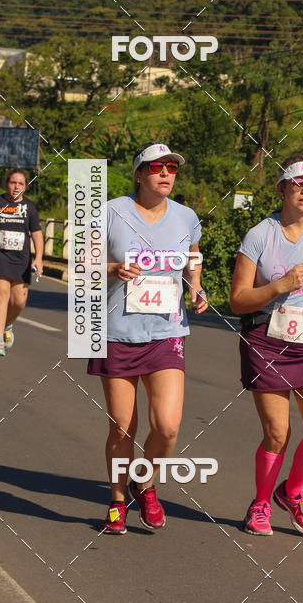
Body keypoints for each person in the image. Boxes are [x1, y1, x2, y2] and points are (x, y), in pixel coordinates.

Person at [88, 142, 208, 535]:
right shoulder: (110, 211)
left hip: (166, 332)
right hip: (118, 332)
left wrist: (196, 287)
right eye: (156, 167)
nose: (166, 173)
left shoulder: (187, 217)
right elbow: (82, 263)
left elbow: (193, 256)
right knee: (123, 427)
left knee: (168, 426)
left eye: (172, 167)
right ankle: (118, 500)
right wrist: (112, 267)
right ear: (139, 174)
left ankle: (146, 481)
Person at [230, 152, 303, 537]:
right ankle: (260, 503)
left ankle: (292, 492)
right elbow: (237, 300)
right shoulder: (259, 235)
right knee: (278, 433)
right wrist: (278, 287)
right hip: (266, 341)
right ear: (282, 188)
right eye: (299, 183)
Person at [0, 168, 43, 356]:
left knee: (19, 301)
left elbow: (36, 234)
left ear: (25, 186)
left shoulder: (30, 207)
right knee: (1, 294)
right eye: (13, 183)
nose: (16, 187)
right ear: (7, 184)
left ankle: (8, 326)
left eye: (20, 184)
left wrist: (38, 258)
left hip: (22, 259)